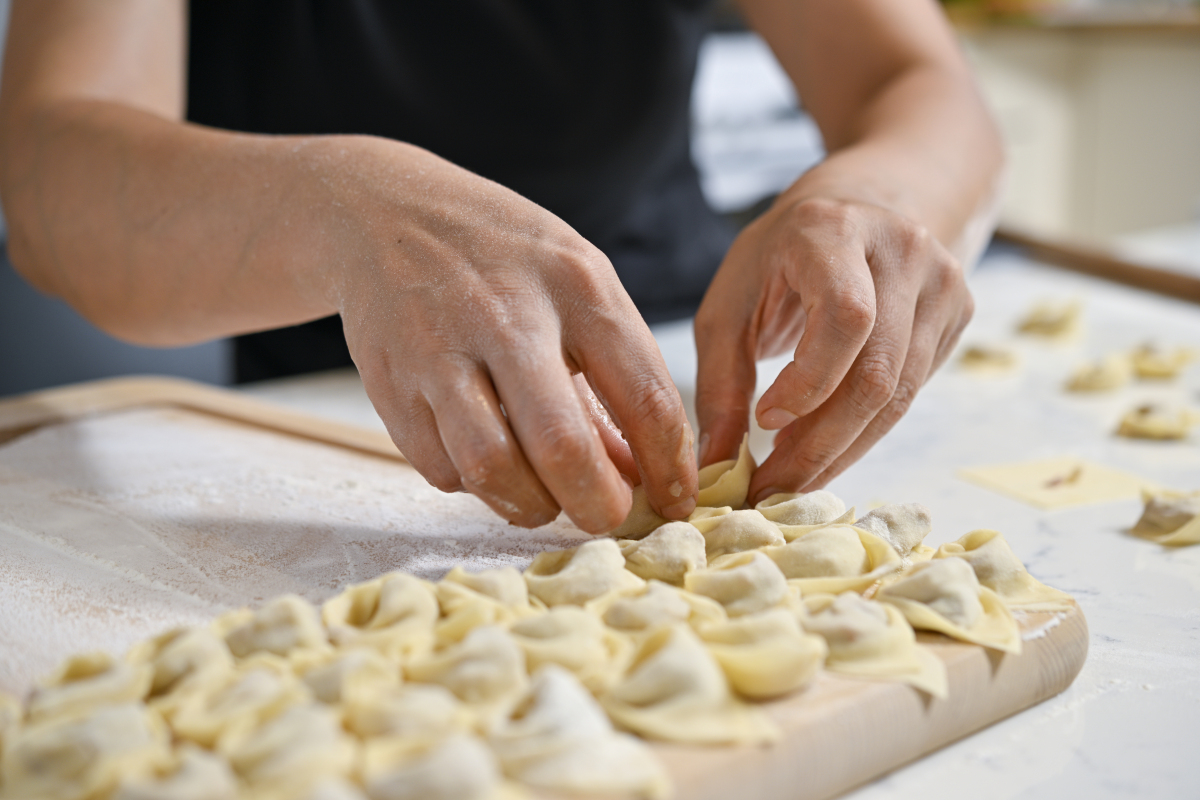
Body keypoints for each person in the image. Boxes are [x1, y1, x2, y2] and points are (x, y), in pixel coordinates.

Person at [0, 1, 1002, 535]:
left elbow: (914, 83)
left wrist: (886, 195)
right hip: (338, 426)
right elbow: (51, 173)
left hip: (701, 371)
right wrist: (341, 206)